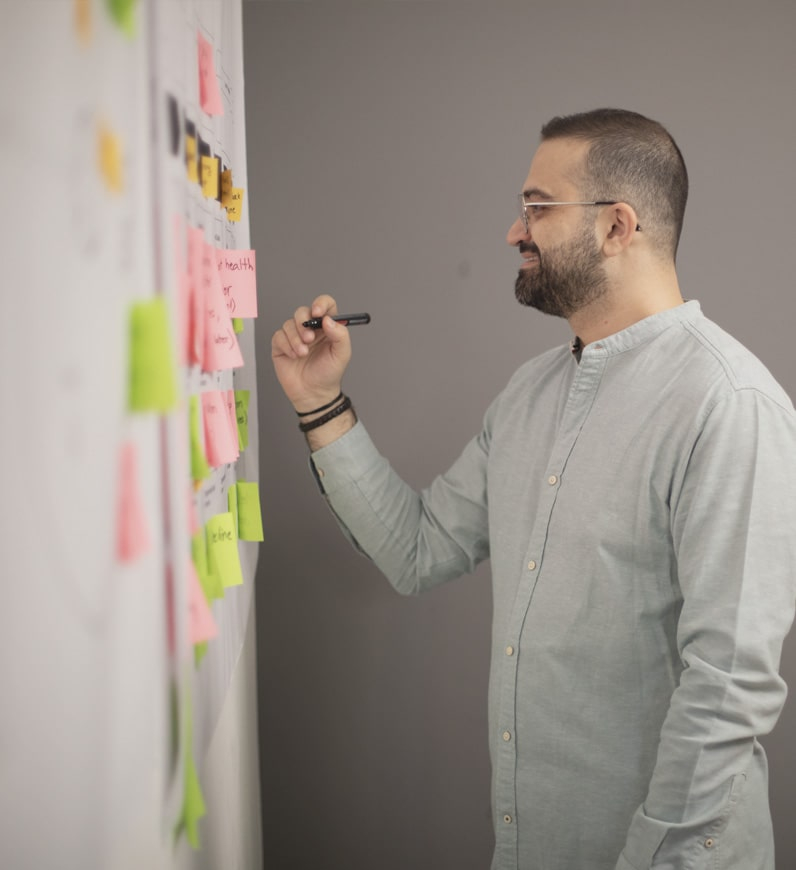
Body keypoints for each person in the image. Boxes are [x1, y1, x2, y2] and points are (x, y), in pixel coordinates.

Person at [271, 108, 796, 870]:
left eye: (537, 208)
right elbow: (417, 550)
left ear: (618, 226)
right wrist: (320, 402)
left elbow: (730, 686)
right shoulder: (527, 394)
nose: (515, 232)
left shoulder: (730, 405)